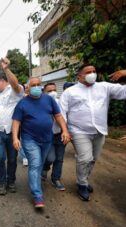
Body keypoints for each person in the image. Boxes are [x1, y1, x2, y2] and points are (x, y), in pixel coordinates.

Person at [60, 65, 126, 201]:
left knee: (93, 159)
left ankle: (83, 179)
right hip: (78, 130)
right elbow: (62, 112)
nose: (92, 74)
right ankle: (82, 185)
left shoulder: (104, 87)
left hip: (99, 130)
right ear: (80, 76)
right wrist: (65, 130)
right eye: (88, 72)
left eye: (94, 71)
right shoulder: (70, 92)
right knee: (85, 158)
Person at [12, 77, 70, 208]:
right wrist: (15, 138)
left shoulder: (49, 100)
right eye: (33, 85)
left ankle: (39, 176)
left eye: (39, 84)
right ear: (28, 87)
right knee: (35, 164)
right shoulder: (22, 103)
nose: (36, 87)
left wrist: (64, 130)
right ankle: (37, 195)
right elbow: (16, 121)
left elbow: (58, 116)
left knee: (47, 160)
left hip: (46, 139)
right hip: (29, 139)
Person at [0, 57, 24, 195]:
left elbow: (15, 84)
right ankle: (2, 182)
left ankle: (11, 181)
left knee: (12, 159)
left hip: (12, 132)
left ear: (3, 81)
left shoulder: (14, 91)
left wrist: (6, 69)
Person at [41, 83, 67, 191]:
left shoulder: (61, 103)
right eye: (49, 91)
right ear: (44, 92)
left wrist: (66, 131)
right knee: (50, 158)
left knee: (59, 159)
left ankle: (56, 179)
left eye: (54, 90)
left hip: (60, 134)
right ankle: (45, 168)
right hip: (47, 137)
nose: (52, 93)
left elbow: (65, 117)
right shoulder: (40, 104)